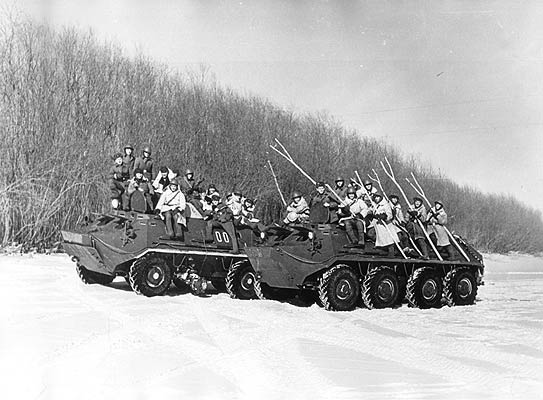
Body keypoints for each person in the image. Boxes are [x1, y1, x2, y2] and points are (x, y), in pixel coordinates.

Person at [370, 192, 399, 256]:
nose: (376, 198)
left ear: (381, 197)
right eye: (375, 197)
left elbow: (390, 215)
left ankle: (392, 252)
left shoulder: (385, 204)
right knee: (374, 235)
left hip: (385, 224)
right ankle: (384, 249)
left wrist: (385, 216)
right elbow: (371, 211)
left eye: (378, 197)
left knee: (388, 237)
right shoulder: (374, 204)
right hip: (376, 223)